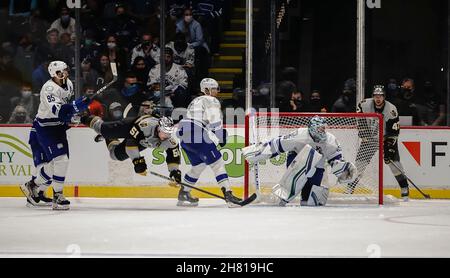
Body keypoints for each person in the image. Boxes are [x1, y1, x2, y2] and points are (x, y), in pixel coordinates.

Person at [19, 61, 92, 210]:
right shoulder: (49, 88)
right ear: (54, 74)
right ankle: (57, 195)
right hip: (46, 128)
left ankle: (32, 185)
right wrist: (74, 107)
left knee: (57, 163)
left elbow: (66, 111)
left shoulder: (69, 84)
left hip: (58, 127)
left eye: (65, 70)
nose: (65, 73)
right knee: (61, 160)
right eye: (61, 71)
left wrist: (73, 115)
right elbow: (58, 111)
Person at [242, 116, 357, 206]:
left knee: (312, 202)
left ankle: (302, 195)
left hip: (318, 167)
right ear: (312, 128)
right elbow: (277, 145)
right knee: (309, 156)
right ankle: (283, 192)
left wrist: (343, 170)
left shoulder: (331, 141)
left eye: (324, 128)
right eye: (320, 128)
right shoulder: (300, 135)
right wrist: (256, 151)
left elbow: (336, 160)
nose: (323, 131)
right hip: (296, 161)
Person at [175, 78, 242, 207]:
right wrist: (221, 136)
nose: (217, 91)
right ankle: (229, 195)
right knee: (218, 164)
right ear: (206, 89)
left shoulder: (195, 100)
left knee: (198, 166)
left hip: (184, 137)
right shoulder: (211, 100)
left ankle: (184, 193)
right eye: (214, 89)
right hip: (196, 134)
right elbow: (215, 121)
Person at [348, 85, 410, 200]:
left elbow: (394, 131)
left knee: (394, 164)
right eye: (376, 96)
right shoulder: (364, 104)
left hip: (386, 139)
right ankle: (350, 187)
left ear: (384, 97)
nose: (378, 98)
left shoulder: (391, 110)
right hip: (370, 139)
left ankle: (404, 187)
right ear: (373, 96)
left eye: (380, 96)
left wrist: (388, 148)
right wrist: (365, 135)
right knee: (360, 165)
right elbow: (360, 121)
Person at [81, 114, 182, 184]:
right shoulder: (145, 126)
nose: (167, 135)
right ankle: (82, 117)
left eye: (169, 133)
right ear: (159, 128)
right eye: (165, 132)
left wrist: (174, 173)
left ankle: (109, 137)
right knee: (101, 129)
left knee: (115, 155)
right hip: (129, 126)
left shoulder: (170, 141)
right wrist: (137, 161)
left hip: (141, 140)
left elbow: (173, 157)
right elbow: (130, 144)